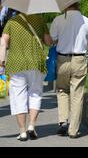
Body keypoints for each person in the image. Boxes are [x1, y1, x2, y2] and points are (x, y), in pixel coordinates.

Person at [0, 11, 52, 141]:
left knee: (18, 96)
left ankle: (22, 132)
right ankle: (31, 126)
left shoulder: (11, 22)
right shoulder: (40, 21)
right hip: (36, 62)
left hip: (16, 63)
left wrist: (1, 62)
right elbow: (48, 42)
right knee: (35, 93)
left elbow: (3, 43)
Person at [50, 1, 88, 138]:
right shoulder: (87, 21)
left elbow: (52, 40)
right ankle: (73, 130)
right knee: (77, 95)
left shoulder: (58, 20)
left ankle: (63, 121)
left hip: (62, 60)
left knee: (62, 90)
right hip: (80, 60)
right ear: (77, 4)